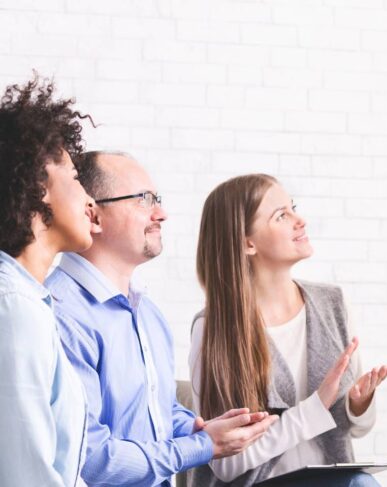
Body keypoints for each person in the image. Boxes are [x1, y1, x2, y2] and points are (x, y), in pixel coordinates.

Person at [45, 151, 278, 487]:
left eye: (158, 199)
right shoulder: (62, 314)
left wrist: (197, 428)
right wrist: (202, 445)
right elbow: (90, 458)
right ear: (93, 216)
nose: (162, 213)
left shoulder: (148, 314)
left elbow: (158, 410)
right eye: (144, 200)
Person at [190, 173, 387, 487]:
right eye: (281, 216)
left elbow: (356, 429)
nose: (300, 220)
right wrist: (313, 409)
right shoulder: (213, 327)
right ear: (247, 242)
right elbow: (227, 466)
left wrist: (358, 404)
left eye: (293, 208)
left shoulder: (333, 304)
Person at [0, 76, 92, 486]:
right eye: (74, 178)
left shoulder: (27, 301)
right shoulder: (13, 308)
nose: (89, 198)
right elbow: (27, 476)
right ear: (39, 186)